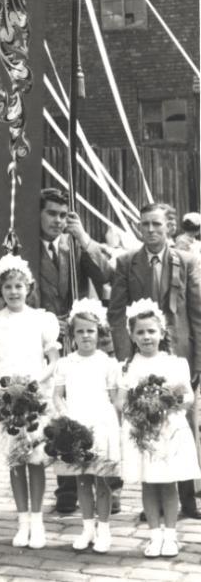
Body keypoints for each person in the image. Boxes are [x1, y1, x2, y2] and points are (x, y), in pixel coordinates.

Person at [108, 201, 201, 518]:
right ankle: (153, 501)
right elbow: (117, 312)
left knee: (183, 425)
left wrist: (197, 362)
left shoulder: (186, 261)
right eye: (145, 224)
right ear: (138, 227)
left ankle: (187, 501)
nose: (150, 230)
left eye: (156, 225)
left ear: (169, 228)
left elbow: (196, 314)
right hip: (142, 356)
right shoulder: (127, 262)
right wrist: (125, 357)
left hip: (178, 356)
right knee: (145, 423)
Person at [36, 187, 113, 514]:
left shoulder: (73, 245)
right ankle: (67, 485)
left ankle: (109, 484)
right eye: (51, 213)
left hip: (81, 340)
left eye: (62, 215)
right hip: (45, 342)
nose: (57, 221)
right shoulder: (24, 244)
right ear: (39, 214)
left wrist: (82, 237)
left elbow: (106, 274)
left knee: (94, 408)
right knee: (59, 411)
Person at [0, 254, 60, 549]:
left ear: (28, 287)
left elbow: (53, 360)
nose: (14, 292)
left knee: (35, 460)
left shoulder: (41, 319)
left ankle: (38, 521)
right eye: (8, 287)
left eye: (19, 286)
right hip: (7, 398)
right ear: (0, 290)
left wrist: (33, 384)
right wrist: (3, 385)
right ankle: (22, 521)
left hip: (34, 395)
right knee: (16, 460)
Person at [118, 299, 201, 557]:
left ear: (162, 333)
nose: (146, 337)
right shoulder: (128, 366)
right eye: (140, 332)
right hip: (142, 432)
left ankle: (170, 536)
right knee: (148, 484)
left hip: (168, 432)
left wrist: (166, 403)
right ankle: (154, 536)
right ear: (132, 336)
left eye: (151, 331)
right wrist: (139, 408)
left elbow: (188, 397)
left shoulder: (175, 363)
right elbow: (121, 401)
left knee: (167, 484)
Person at [52, 298, 120, 553]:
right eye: (79, 331)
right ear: (72, 335)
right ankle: (87, 527)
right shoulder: (66, 363)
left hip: (101, 425)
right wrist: (65, 417)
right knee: (81, 480)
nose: (85, 336)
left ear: (99, 332)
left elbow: (115, 399)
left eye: (90, 330)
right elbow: (57, 395)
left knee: (102, 481)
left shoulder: (107, 363)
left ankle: (104, 528)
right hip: (77, 425)